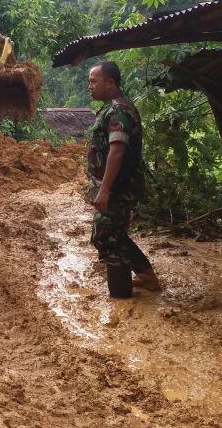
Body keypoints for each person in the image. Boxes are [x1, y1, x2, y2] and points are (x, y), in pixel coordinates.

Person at [87, 60, 160, 298]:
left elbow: (117, 150)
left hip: (119, 188)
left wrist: (105, 190)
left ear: (110, 83)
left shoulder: (119, 110)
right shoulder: (112, 107)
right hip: (116, 186)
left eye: (93, 81)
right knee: (113, 233)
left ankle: (122, 295)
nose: (90, 86)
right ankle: (144, 278)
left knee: (105, 234)